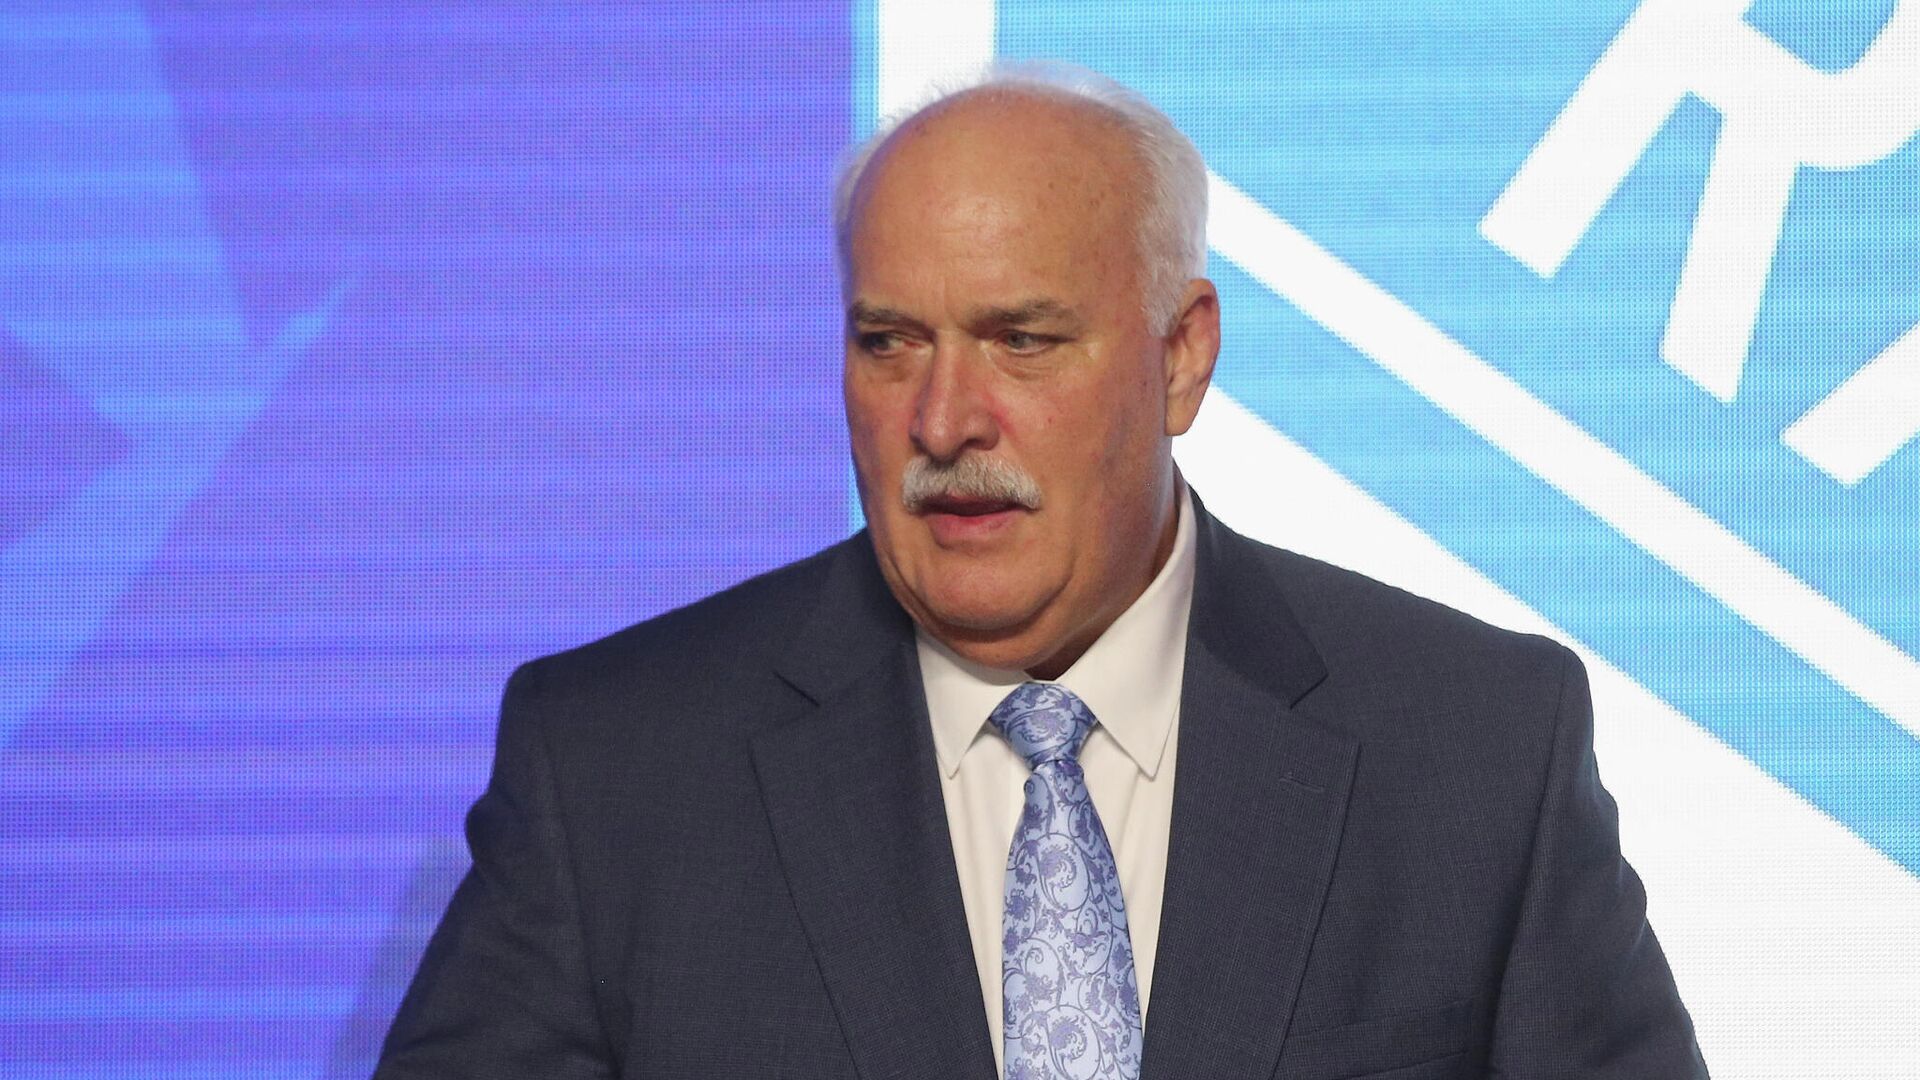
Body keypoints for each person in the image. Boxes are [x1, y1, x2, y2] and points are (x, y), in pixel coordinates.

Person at [375, 63, 1707, 1079]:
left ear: (1180, 356)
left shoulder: (1474, 748)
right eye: (890, 343)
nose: (945, 421)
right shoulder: (614, 769)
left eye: (1021, 340)